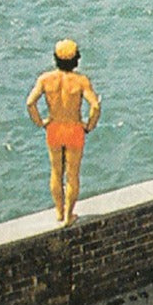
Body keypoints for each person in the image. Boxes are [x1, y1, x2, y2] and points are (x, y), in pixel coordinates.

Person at [25, 39, 101, 228]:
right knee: (72, 175)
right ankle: (69, 215)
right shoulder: (81, 81)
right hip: (74, 128)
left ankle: (59, 211)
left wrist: (41, 122)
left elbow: (30, 103)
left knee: (56, 171)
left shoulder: (45, 79)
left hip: (54, 128)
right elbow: (95, 106)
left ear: (55, 59)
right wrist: (89, 125)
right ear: (76, 60)